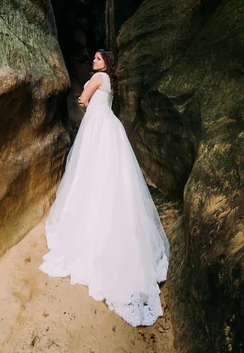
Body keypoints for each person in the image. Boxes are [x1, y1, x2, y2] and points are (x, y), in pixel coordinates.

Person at [40, 49, 169, 326]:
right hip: (109, 126)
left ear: (105, 64)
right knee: (108, 173)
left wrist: (83, 97)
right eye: (95, 59)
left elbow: (83, 100)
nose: (95, 62)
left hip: (96, 126)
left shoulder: (98, 78)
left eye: (98, 59)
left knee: (88, 168)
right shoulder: (109, 80)